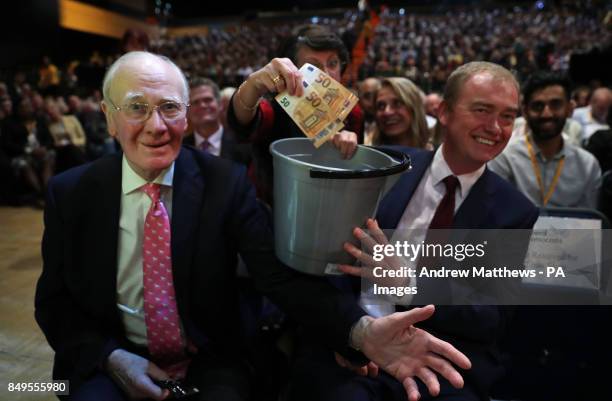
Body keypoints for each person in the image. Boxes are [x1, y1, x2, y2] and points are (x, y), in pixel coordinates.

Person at [35, 51, 472, 401]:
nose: (156, 126)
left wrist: (360, 331)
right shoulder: (71, 193)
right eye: (136, 108)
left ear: (186, 117)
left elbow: (279, 276)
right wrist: (111, 358)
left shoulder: (223, 184)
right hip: (112, 357)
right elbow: (54, 305)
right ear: (109, 117)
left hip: (209, 359)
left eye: (169, 108)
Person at [291, 62, 539, 401]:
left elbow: (490, 314)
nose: (495, 127)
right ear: (444, 112)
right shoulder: (384, 167)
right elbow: (331, 262)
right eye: (482, 110)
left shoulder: (515, 212)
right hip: (353, 347)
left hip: (438, 361)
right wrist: (350, 335)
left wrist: (408, 284)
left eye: (508, 116)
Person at [227, 24, 363, 205]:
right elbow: (242, 121)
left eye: (332, 63)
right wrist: (253, 84)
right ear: (291, 71)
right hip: (272, 209)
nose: (326, 73)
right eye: (312, 66)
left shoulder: (353, 112)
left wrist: (350, 148)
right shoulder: (275, 109)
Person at [489, 71, 601, 208]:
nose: (546, 114)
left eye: (556, 105)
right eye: (538, 106)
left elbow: (588, 224)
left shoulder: (587, 165)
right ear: (524, 111)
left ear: (570, 109)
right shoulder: (504, 158)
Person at [183, 77, 250, 166]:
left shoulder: (243, 145)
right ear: (188, 111)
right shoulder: (180, 149)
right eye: (195, 102)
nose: (202, 105)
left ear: (220, 105)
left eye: (208, 100)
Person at [370, 77, 431, 149]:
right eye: (381, 106)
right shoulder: (366, 157)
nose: (387, 112)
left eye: (397, 103)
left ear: (414, 108)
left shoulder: (437, 156)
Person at [358, 77, 381, 145]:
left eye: (376, 96)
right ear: (359, 99)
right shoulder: (352, 125)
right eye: (367, 97)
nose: (372, 103)